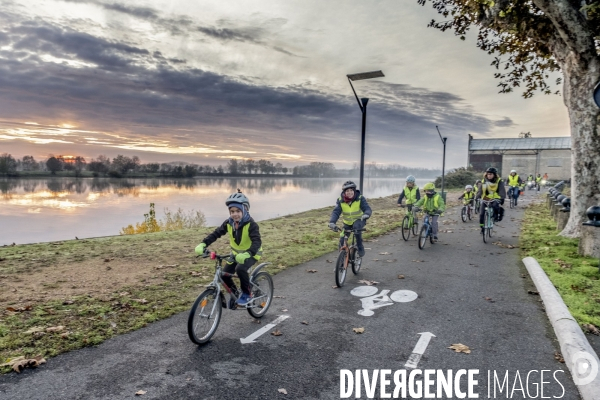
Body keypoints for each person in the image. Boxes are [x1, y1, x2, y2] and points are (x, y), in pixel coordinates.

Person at [194, 190, 262, 306]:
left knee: (240, 269)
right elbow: (216, 233)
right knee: (224, 274)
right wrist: (203, 244)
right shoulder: (229, 223)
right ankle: (235, 294)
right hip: (236, 255)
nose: (234, 214)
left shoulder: (252, 225)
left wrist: (247, 254)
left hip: (252, 254)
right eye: (232, 211)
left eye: (238, 211)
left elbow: (257, 241)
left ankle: (247, 294)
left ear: (245, 210)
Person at [329, 181, 372, 257]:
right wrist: (332, 222)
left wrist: (366, 214)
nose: (350, 192)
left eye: (351, 190)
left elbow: (367, 208)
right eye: (347, 191)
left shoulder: (360, 198)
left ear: (354, 191)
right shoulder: (340, 200)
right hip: (347, 223)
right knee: (342, 240)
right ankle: (342, 261)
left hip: (359, 220)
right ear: (344, 192)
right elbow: (336, 212)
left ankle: (360, 246)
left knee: (356, 229)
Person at [477, 167, 506, 233]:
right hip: (486, 198)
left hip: (495, 198)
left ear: (494, 175)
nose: (489, 175)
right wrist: (477, 197)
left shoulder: (499, 181)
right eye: (488, 174)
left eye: (491, 174)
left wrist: (502, 198)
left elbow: (502, 190)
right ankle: (482, 227)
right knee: (481, 214)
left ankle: (496, 216)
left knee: (495, 206)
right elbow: (480, 190)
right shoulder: (483, 181)